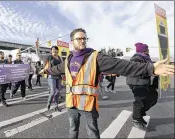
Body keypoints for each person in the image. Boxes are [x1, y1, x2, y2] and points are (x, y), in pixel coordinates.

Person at [39, 28, 174, 139]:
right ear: (71, 41)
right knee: (73, 130)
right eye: (79, 38)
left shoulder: (95, 57)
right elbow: (57, 69)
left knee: (92, 132)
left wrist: (150, 68)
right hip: (71, 104)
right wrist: (45, 71)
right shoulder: (68, 59)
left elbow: (122, 65)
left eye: (84, 38)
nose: (82, 41)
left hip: (87, 104)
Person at [126, 42, 159, 130]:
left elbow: (150, 68)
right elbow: (137, 70)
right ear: (143, 50)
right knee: (139, 100)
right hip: (136, 82)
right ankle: (136, 119)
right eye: (147, 49)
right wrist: (151, 71)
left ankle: (140, 114)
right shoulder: (136, 58)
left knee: (153, 97)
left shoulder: (146, 58)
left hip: (144, 82)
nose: (148, 50)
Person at [45, 46, 63, 111]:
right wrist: (37, 48)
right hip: (51, 76)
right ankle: (49, 104)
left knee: (58, 92)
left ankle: (56, 105)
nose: (54, 50)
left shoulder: (60, 58)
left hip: (59, 77)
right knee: (53, 91)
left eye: (55, 49)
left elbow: (62, 66)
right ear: (51, 51)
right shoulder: (49, 57)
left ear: (57, 51)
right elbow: (40, 55)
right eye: (52, 49)